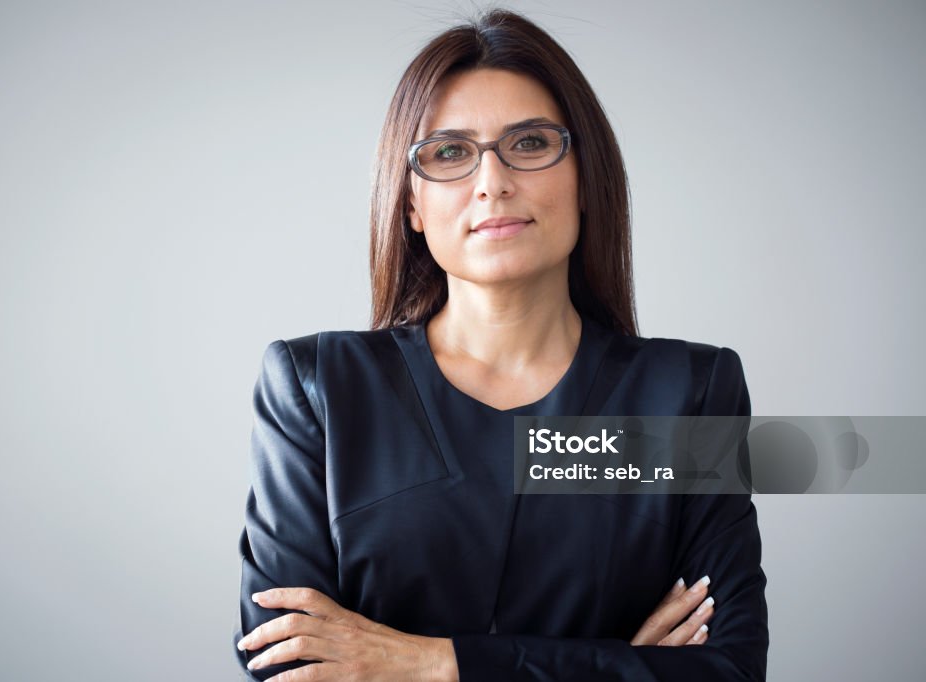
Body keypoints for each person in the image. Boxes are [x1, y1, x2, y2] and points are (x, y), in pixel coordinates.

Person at [234, 8, 768, 681]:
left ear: (586, 179)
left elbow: (730, 671)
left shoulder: (687, 393)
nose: (493, 181)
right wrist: (622, 667)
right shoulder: (317, 388)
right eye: (450, 153)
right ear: (410, 206)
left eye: (531, 143)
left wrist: (430, 664)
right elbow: (286, 663)